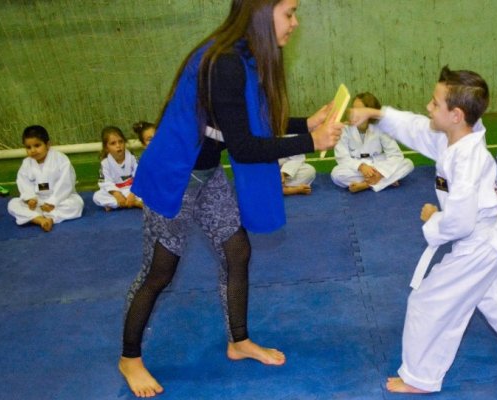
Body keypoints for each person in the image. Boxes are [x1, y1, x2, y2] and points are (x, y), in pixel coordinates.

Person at [119, 0, 343, 397]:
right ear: (261, 12)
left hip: (204, 171)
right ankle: (130, 358)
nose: (295, 22)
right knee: (160, 270)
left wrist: (305, 123)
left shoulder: (244, 55)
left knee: (237, 250)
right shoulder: (224, 62)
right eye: (289, 12)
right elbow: (242, 146)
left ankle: (239, 341)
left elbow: (245, 119)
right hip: (174, 174)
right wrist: (310, 141)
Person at [349, 66, 497, 394]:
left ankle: (420, 378)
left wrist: (433, 218)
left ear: (456, 114)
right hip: (495, 239)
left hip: (479, 245)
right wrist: (375, 112)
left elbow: (459, 221)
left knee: (428, 302)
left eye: (434, 103)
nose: (428, 107)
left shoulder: (467, 159)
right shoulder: (457, 137)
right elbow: (414, 127)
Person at [331, 92, 414, 193]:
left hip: (379, 164)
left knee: (408, 164)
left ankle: (366, 184)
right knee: (336, 174)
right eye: (354, 109)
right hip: (357, 166)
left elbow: (395, 155)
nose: (355, 113)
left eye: (359, 110)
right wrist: (361, 166)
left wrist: (380, 172)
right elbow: (342, 158)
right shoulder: (344, 129)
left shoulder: (381, 127)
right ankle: (386, 181)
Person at [6, 125, 84, 232]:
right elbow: (23, 182)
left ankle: (40, 218)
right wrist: (30, 199)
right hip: (38, 202)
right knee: (13, 204)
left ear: (48, 144)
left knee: (76, 204)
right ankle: (41, 220)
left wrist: (53, 202)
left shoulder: (61, 159)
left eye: (37, 145)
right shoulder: (26, 163)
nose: (33, 150)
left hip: (59, 200)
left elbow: (66, 182)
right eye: (28, 147)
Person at [92, 126, 142, 210]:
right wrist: (116, 194)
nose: (118, 146)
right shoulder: (105, 163)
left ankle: (116, 205)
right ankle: (134, 203)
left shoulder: (133, 158)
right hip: (117, 191)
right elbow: (105, 183)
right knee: (97, 196)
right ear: (106, 148)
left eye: (121, 142)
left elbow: (140, 177)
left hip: (134, 190)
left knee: (149, 190)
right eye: (113, 143)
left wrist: (133, 193)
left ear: (125, 143)